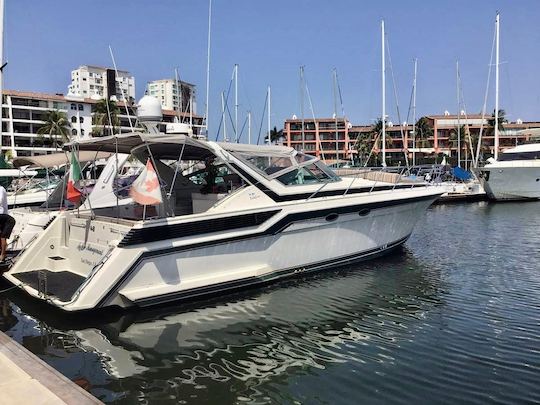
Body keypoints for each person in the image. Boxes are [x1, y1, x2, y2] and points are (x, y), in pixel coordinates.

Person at [0, 185, 15, 262]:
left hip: (7, 220)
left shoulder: (1, 189)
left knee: (3, 237)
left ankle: (3, 255)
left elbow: (0, 201)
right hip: (2, 218)